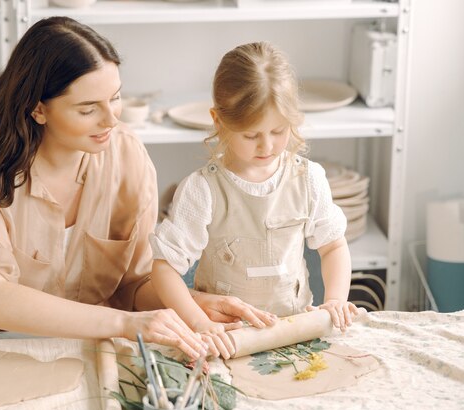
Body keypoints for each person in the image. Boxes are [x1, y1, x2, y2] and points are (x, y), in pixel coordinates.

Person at [0, 17, 253, 360]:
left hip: (70, 350)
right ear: (38, 109)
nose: (111, 119)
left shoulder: (128, 156)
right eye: (88, 109)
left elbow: (134, 286)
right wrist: (123, 323)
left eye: (115, 98)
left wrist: (191, 303)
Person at [150, 42, 361, 359]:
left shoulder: (309, 179)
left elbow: (333, 246)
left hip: (294, 332)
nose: (268, 145)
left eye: (278, 130)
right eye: (251, 135)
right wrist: (199, 322)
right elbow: (163, 270)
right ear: (219, 121)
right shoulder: (202, 189)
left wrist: (335, 299)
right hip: (226, 338)